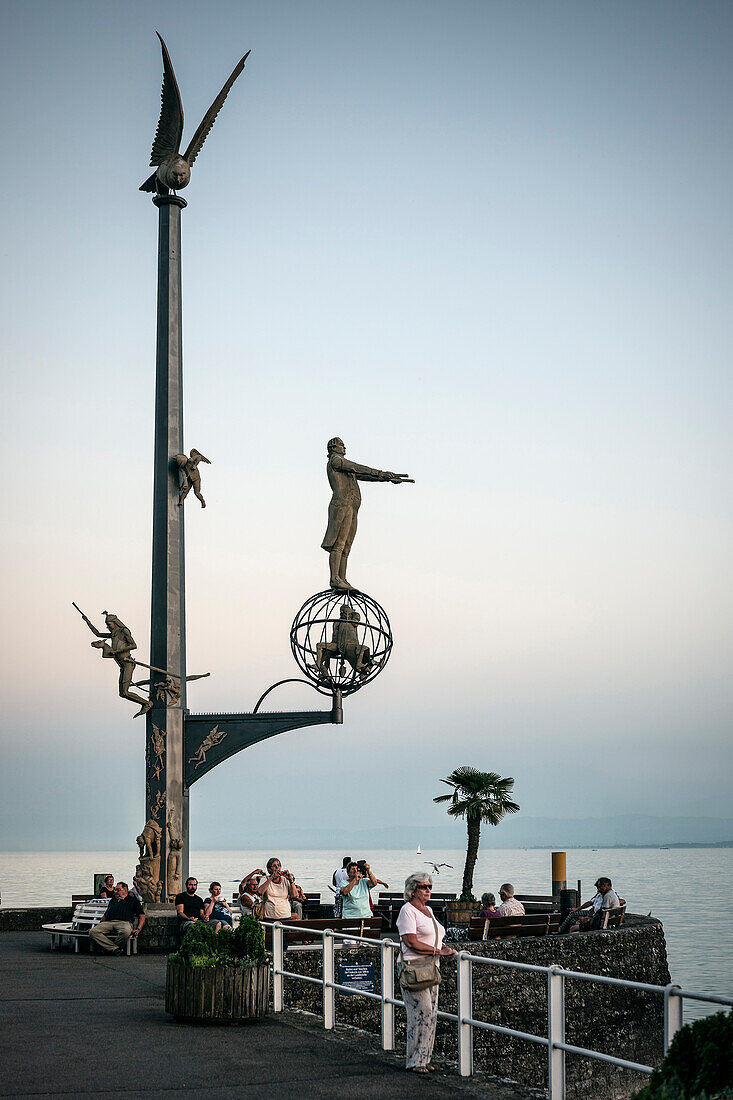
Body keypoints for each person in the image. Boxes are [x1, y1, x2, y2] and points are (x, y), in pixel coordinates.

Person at [321, 436, 413, 591]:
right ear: (333, 448)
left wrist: (386, 477)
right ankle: (335, 578)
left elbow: (365, 475)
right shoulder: (336, 461)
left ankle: (342, 578)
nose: (345, 448)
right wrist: (382, 473)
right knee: (339, 543)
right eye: (342, 445)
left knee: (347, 545)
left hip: (352, 506)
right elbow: (358, 467)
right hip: (341, 505)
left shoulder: (348, 470)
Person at [396, 872, 456, 1074]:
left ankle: (424, 1058)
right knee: (421, 1013)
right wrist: (436, 951)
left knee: (431, 1014)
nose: (428, 890)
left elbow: (433, 936)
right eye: (424, 887)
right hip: (414, 967)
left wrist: (443, 948)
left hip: (431, 966)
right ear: (412, 890)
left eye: (430, 886)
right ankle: (414, 1061)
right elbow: (410, 941)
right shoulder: (407, 911)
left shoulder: (428, 910)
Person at [89, 881, 145, 955]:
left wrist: (138, 928)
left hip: (124, 922)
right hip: (108, 922)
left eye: (118, 890)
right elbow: (106, 915)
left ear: (125, 890)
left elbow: (142, 915)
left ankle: (109, 949)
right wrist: (99, 925)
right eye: (115, 890)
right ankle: (114, 949)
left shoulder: (133, 900)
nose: (116, 892)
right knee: (93, 932)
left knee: (125, 932)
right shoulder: (113, 900)